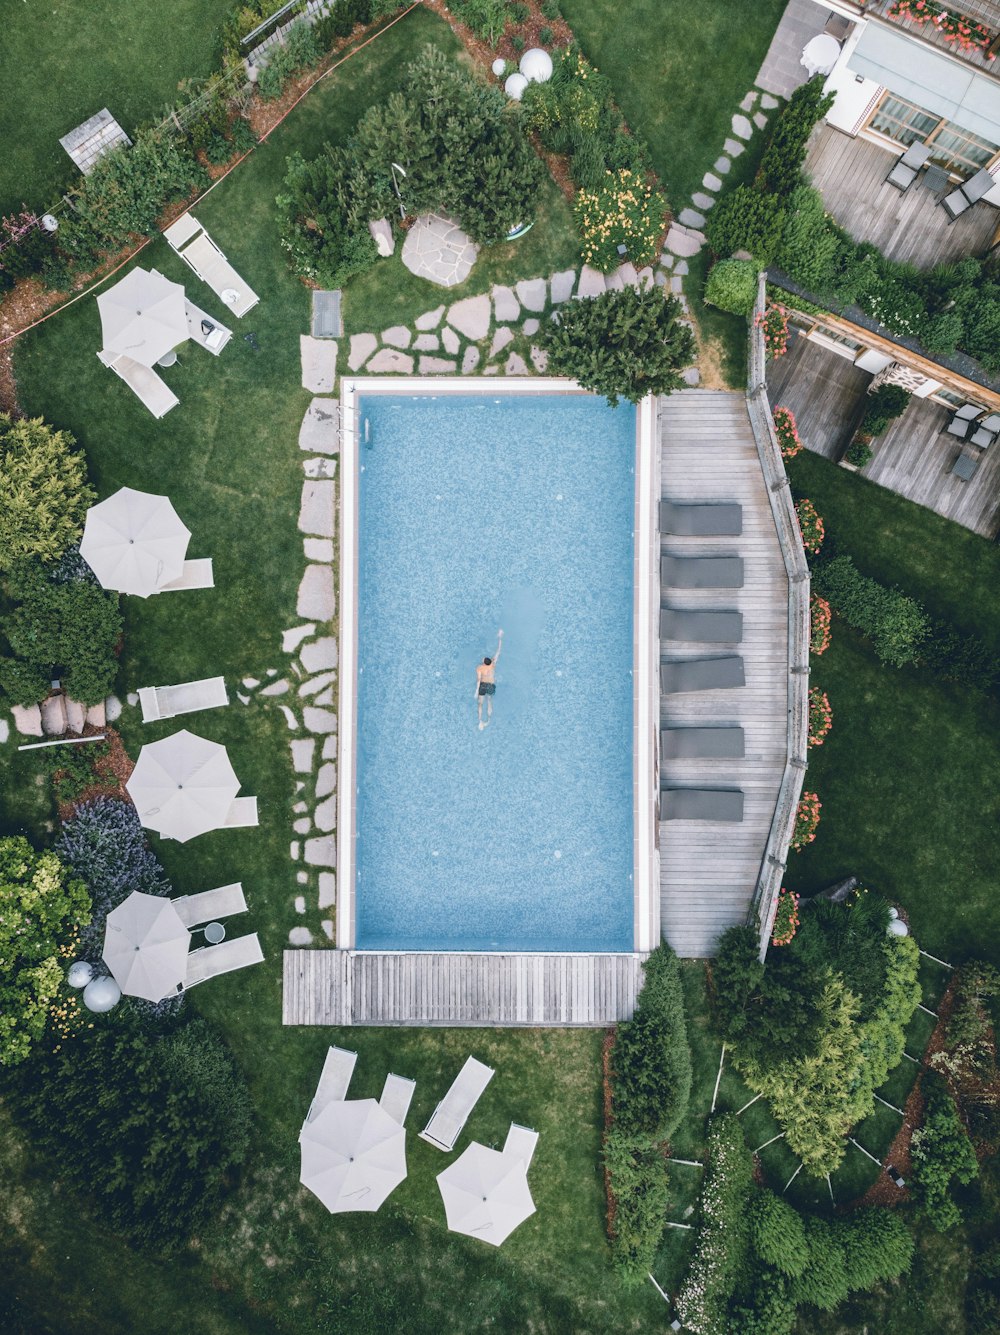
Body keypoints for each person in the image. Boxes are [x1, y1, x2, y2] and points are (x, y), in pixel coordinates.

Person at [475, 629, 503, 730]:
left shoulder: (480, 668)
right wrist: (500, 637)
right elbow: (498, 651)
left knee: (480, 703)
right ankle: (489, 720)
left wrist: (475, 692)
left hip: (482, 685)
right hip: (491, 685)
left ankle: (480, 721)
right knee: (489, 701)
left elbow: (478, 680)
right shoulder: (493, 665)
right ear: (490, 661)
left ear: (483, 663)